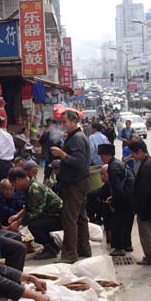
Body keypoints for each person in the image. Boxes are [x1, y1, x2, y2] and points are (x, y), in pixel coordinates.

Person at [50, 110, 92, 263]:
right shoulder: (75, 137)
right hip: (79, 182)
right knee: (80, 217)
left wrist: (62, 155)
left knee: (70, 219)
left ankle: (69, 254)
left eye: (65, 122)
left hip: (75, 183)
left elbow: (79, 162)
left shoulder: (77, 138)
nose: (63, 125)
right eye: (61, 122)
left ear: (74, 122)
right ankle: (83, 248)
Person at [8, 168, 63, 260]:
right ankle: (53, 246)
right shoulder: (29, 187)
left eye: (13, 184)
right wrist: (17, 216)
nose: (13, 186)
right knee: (34, 222)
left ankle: (49, 248)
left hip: (59, 217)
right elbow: (29, 205)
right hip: (51, 215)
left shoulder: (34, 188)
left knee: (34, 225)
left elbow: (36, 212)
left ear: (18, 180)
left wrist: (19, 223)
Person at [128, 140, 151, 266]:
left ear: (140, 151)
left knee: (147, 233)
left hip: (148, 206)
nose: (132, 156)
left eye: (133, 153)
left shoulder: (146, 167)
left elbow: (144, 191)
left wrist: (137, 208)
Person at [98, 144, 135, 256]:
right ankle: (127, 244)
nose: (101, 158)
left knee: (118, 223)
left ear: (106, 155)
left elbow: (117, 188)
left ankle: (119, 248)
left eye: (102, 155)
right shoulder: (119, 163)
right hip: (130, 197)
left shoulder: (113, 167)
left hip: (124, 198)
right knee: (127, 222)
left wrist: (114, 203)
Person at [85, 164, 111, 242]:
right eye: (101, 174)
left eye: (103, 174)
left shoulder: (113, 184)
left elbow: (100, 192)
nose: (101, 177)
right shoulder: (107, 185)